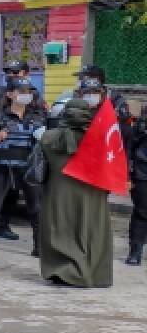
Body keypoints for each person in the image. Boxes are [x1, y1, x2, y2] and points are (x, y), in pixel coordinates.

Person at [35, 96, 113, 288]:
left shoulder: (47, 137)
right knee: (90, 231)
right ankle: (91, 273)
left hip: (58, 191)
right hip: (93, 192)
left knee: (59, 229)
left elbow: (36, 166)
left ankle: (60, 271)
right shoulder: (102, 138)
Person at [0, 77, 45, 258]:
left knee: (36, 208)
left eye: (29, 91)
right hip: (1, 168)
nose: (26, 95)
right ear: (10, 94)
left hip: (28, 168)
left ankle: (40, 247)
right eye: (21, 91)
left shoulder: (37, 117)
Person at [127, 107, 146, 266]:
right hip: (142, 174)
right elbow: (130, 149)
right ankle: (135, 251)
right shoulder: (142, 125)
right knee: (141, 212)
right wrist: (129, 174)